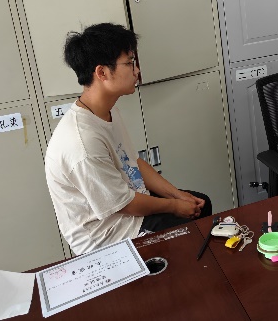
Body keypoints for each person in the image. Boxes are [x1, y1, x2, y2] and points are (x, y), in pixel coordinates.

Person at [45, 23, 212, 255]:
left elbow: (134, 163)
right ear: (102, 73)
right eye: (130, 62)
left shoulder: (107, 110)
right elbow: (124, 204)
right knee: (189, 228)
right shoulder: (82, 143)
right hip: (107, 234)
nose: (137, 71)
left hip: (127, 205)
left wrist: (177, 195)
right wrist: (174, 206)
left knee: (200, 204)